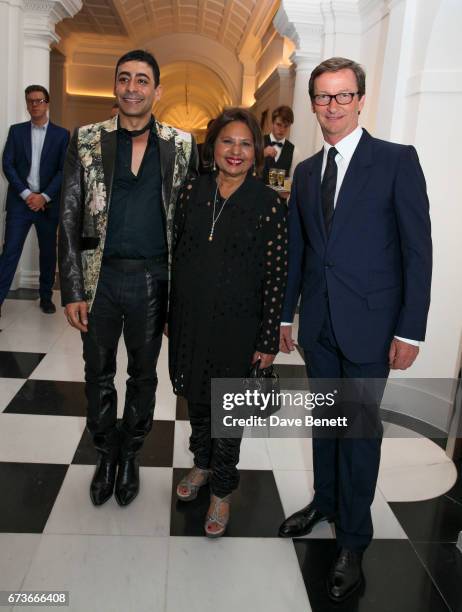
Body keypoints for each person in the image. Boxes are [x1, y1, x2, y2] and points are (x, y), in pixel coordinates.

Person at [278, 57, 432, 602]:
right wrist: (285, 314)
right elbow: (300, 250)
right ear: (313, 103)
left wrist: (411, 330)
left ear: (361, 99)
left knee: (360, 436)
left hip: (372, 328)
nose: (332, 106)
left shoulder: (395, 161)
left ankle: (354, 540)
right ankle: (324, 503)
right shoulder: (304, 172)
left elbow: (418, 250)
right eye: (323, 96)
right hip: (319, 325)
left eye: (343, 96)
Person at [58, 49, 197, 508]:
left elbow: (189, 226)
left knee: (143, 377)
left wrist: (183, 300)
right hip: (101, 280)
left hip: (154, 281)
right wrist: (73, 288)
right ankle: (105, 454)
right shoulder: (86, 139)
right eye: (124, 79)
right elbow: (70, 216)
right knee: (97, 373)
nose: (132, 88)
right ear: (114, 87)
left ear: (156, 90)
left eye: (142, 80)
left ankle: (131, 454)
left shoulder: (181, 144)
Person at [168, 107, 287, 537]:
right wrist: (170, 313)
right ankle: (201, 462)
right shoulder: (190, 193)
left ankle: (221, 489)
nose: (235, 151)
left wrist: (268, 335)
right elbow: (176, 256)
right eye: (227, 141)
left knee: (227, 413)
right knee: (197, 400)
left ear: (256, 151)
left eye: (245, 144)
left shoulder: (269, 204)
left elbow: (277, 275)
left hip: (240, 326)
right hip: (191, 319)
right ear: (212, 146)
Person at [0, 85, 69, 315]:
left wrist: (44, 196)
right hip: (21, 203)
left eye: (39, 101)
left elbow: (63, 170)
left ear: (47, 104)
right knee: (10, 251)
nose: (34, 105)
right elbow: (7, 165)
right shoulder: (16, 131)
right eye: (30, 101)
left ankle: (46, 297)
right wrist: (28, 195)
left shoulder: (62, 135)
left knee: (48, 253)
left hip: (47, 205)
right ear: (27, 104)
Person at [262, 105, 299, 184]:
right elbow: (246, 168)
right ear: (272, 123)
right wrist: (261, 154)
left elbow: (294, 181)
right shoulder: (259, 142)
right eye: (279, 124)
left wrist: (279, 185)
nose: (282, 129)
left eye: (286, 126)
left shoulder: (294, 151)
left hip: (278, 196)